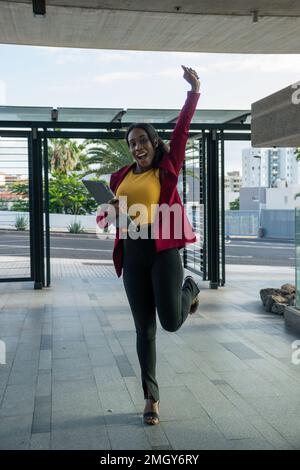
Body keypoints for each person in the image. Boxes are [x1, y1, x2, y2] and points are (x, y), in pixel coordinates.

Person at [96, 65, 201, 425]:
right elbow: (106, 220)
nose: (137, 147)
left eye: (142, 140)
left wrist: (194, 91)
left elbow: (183, 129)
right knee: (145, 330)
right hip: (134, 253)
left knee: (171, 323)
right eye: (131, 143)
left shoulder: (167, 167)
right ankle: (150, 398)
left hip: (163, 252)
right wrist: (107, 211)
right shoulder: (120, 177)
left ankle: (191, 286)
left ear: (154, 143)